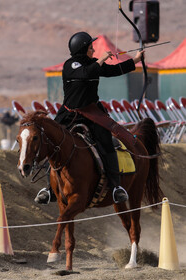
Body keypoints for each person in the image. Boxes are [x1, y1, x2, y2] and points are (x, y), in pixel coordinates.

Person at [35, 31, 144, 205]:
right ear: (83, 48)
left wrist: (136, 61)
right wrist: (101, 60)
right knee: (52, 142)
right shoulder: (70, 65)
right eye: (91, 47)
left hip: (92, 113)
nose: (93, 50)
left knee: (106, 142)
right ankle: (49, 189)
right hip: (69, 113)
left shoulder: (93, 63)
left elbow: (113, 70)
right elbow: (85, 73)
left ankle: (116, 187)